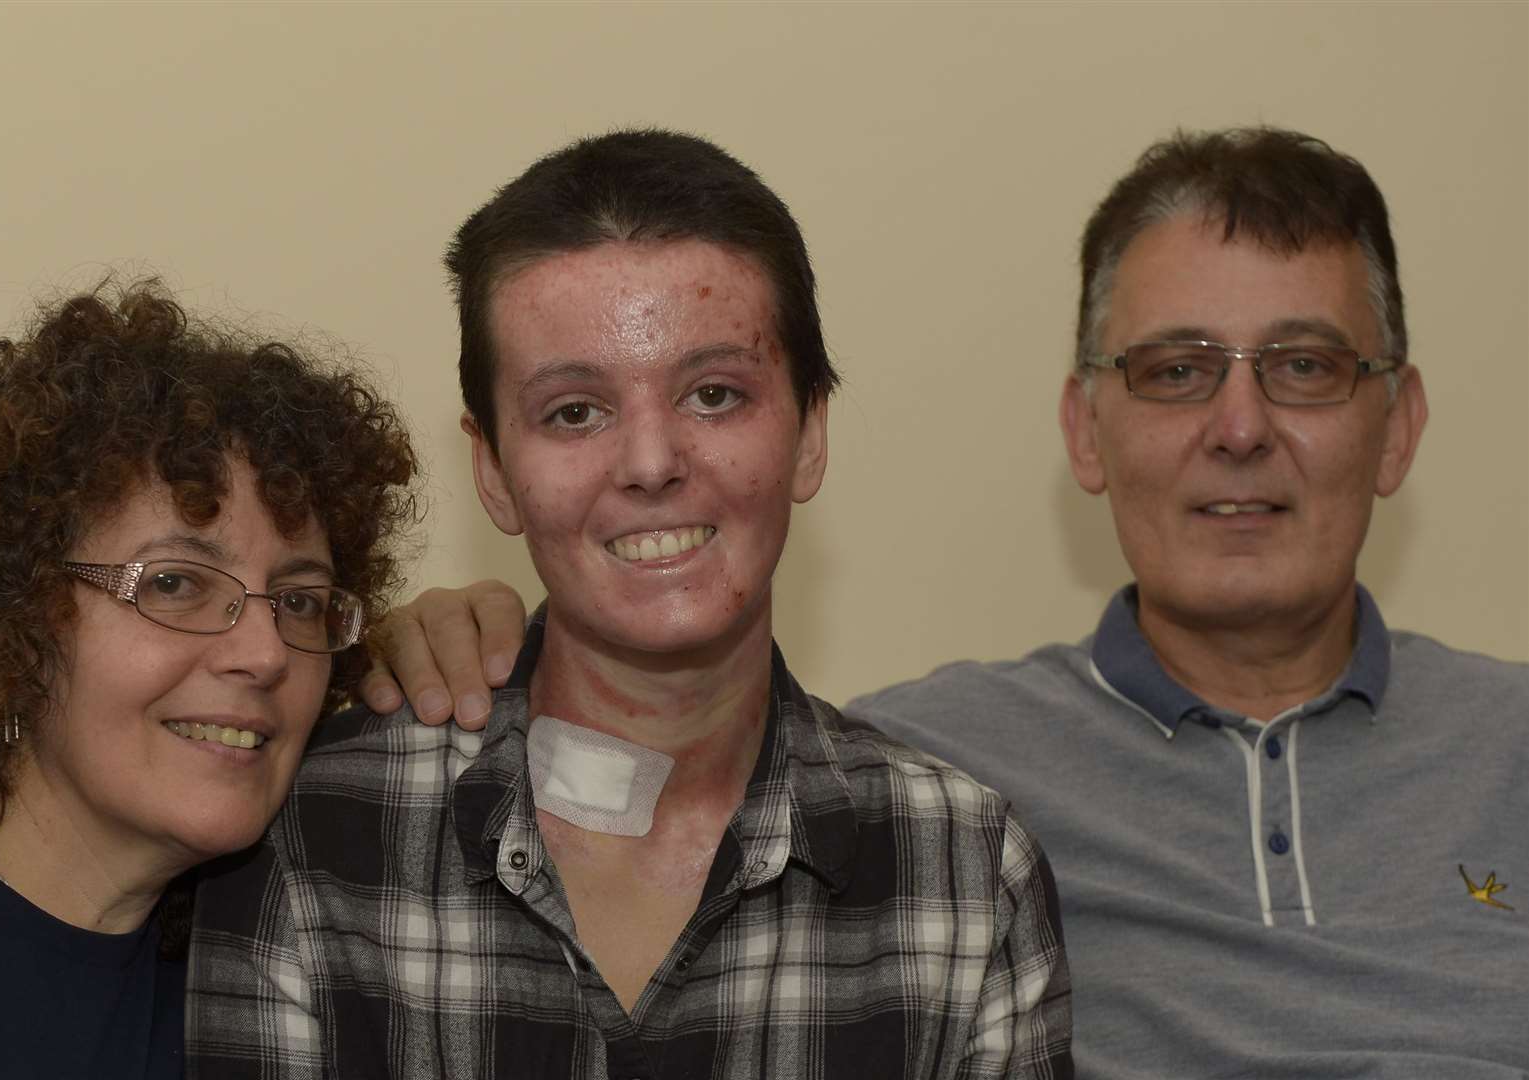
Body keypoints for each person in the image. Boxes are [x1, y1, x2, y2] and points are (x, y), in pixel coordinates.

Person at [360, 127, 1529, 1076]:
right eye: (1173, 370)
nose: (1237, 429)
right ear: (1084, 427)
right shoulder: (935, 790)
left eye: (1305, 367)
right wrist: (460, 641)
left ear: (1399, 423)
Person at [189, 129, 1073, 1079]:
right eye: (575, 411)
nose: (651, 463)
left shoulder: (963, 872)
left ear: (810, 432)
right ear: (492, 469)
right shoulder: (318, 833)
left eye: (714, 394)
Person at [0, 281, 420, 1077]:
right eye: (173, 584)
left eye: (300, 601)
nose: (265, 653)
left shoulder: (267, 964)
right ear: (16, 612)